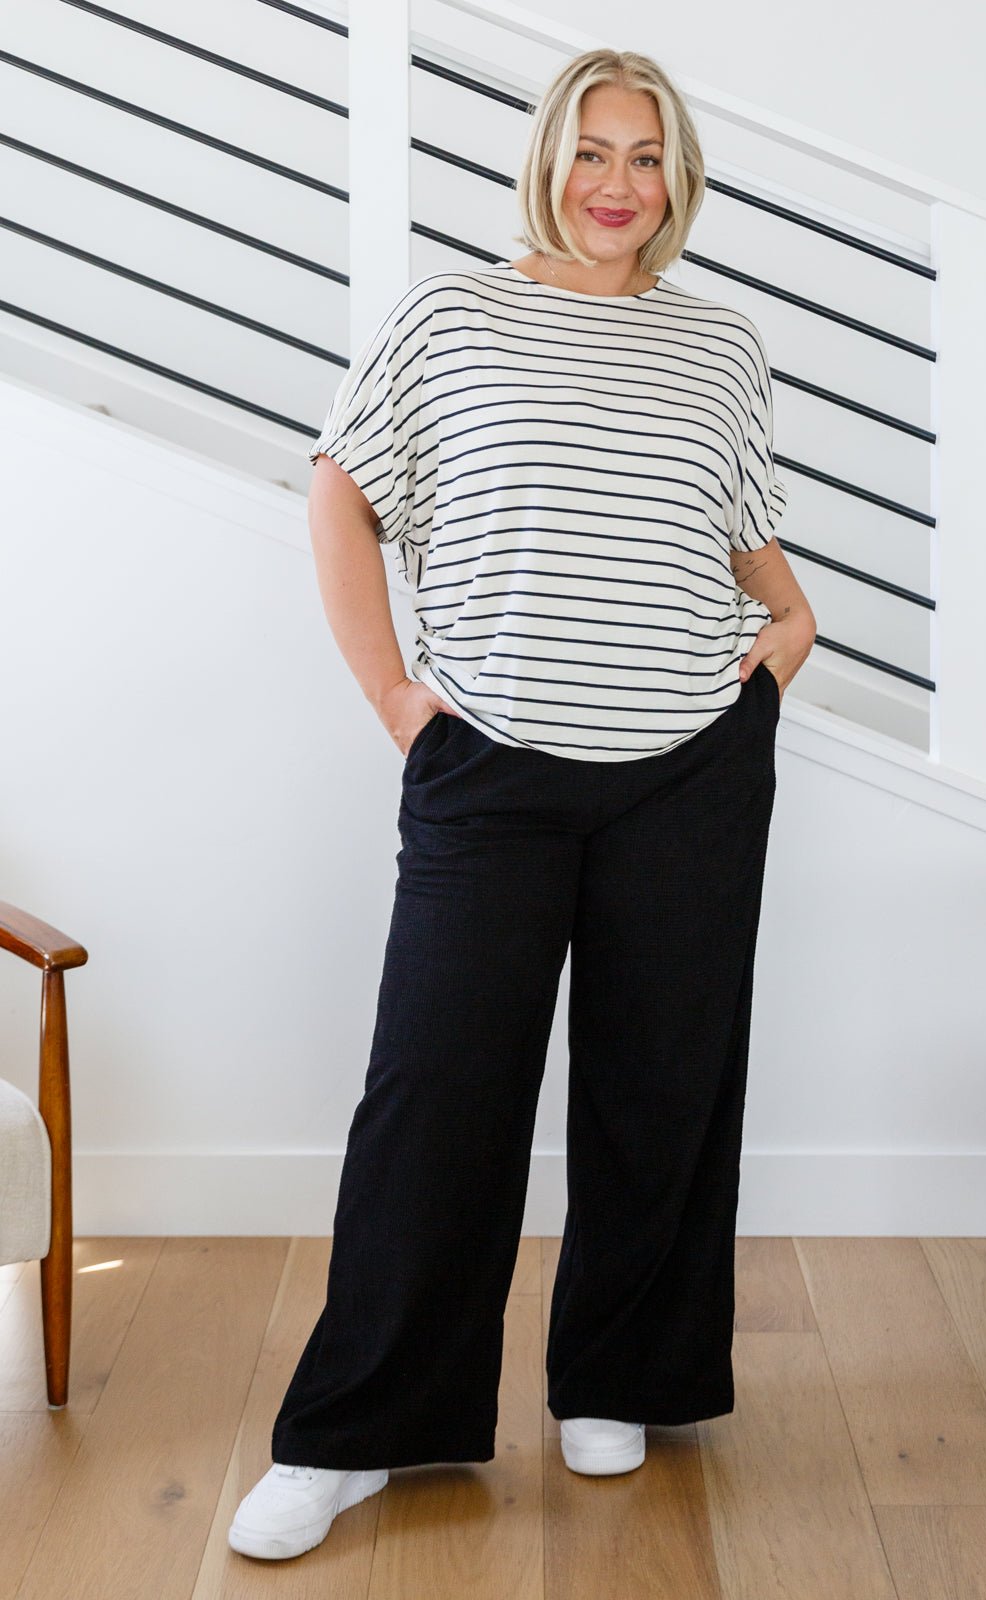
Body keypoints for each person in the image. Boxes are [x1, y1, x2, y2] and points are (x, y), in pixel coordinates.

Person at [229, 45, 816, 1563]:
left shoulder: (721, 344)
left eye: (647, 156)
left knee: (661, 1086)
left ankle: (620, 1378)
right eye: (593, 150)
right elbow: (344, 490)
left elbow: (739, 522)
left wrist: (790, 624)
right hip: (488, 763)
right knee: (437, 1094)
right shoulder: (452, 316)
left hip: (688, 766)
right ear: (549, 160)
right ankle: (353, 1432)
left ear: (679, 180)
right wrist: (394, 699)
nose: (619, 183)